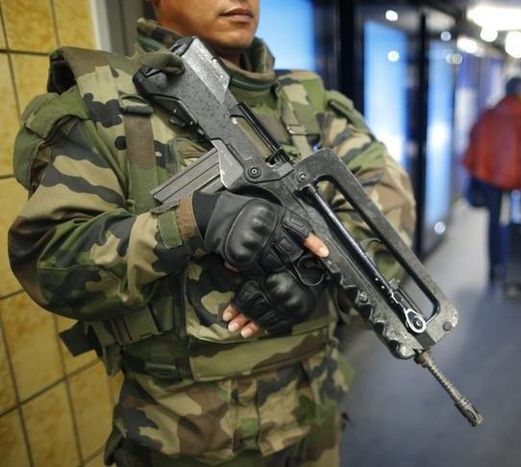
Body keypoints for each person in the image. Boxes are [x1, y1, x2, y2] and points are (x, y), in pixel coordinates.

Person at [8, 1, 416, 466]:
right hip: (185, 441)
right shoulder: (103, 101)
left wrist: (319, 272)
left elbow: (386, 198)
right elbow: (50, 262)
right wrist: (193, 223)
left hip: (314, 420)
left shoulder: (306, 99)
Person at [462, 76, 521, 281]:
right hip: (515, 177)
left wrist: (477, 169)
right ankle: (512, 262)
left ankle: (494, 265)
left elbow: (473, 138)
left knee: (493, 220)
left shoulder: (489, 114)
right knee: (516, 220)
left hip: (489, 175)